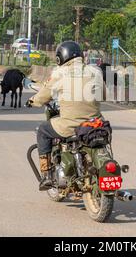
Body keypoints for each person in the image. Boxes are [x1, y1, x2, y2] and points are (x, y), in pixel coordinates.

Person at [28, 41, 104, 191]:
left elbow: (44, 95)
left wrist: (32, 101)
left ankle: (47, 176)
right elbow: (104, 93)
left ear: (60, 58)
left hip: (71, 126)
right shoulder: (96, 71)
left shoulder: (59, 73)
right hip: (95, 124)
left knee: (43, 130)